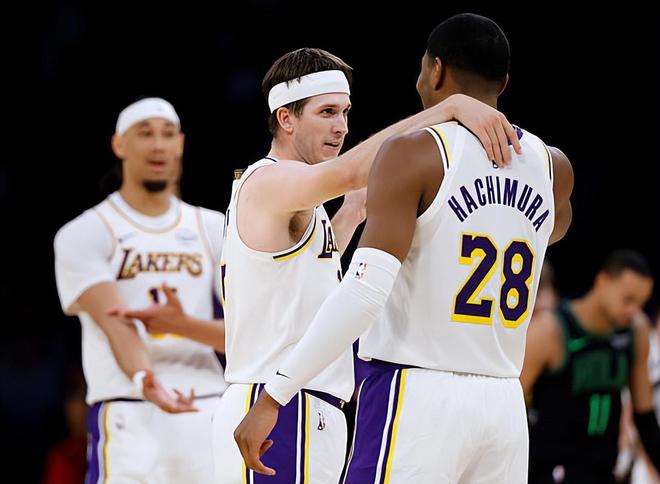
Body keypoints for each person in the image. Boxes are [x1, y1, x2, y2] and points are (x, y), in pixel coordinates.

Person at [234, 14, 573, 483]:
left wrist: (274, 395)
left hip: (419, 393)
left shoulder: (415, 152)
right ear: (504, 82)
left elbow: (364, 292)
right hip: (504, 405)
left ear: (435, 70)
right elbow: (546, 234)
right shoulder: (553, 165)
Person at [54, 97, 227, 483]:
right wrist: (145, 379)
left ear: (180, 144)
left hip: (208, 409)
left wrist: (181, 325)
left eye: (167, 134)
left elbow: (250, 335)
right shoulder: (85, 231)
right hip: (128, 408)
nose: (158, 145)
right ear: (119, 144)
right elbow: (116, 322)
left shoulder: (214, 227)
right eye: (145, 133)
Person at [522, 249, 660, 483]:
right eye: (628, 299)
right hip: (550, 469)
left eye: (640, 303)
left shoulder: (635, 332)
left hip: (602, 469)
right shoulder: (549, 331)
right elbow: (511, 404)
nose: (633, 310)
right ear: (602, 281)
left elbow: (644, 416)